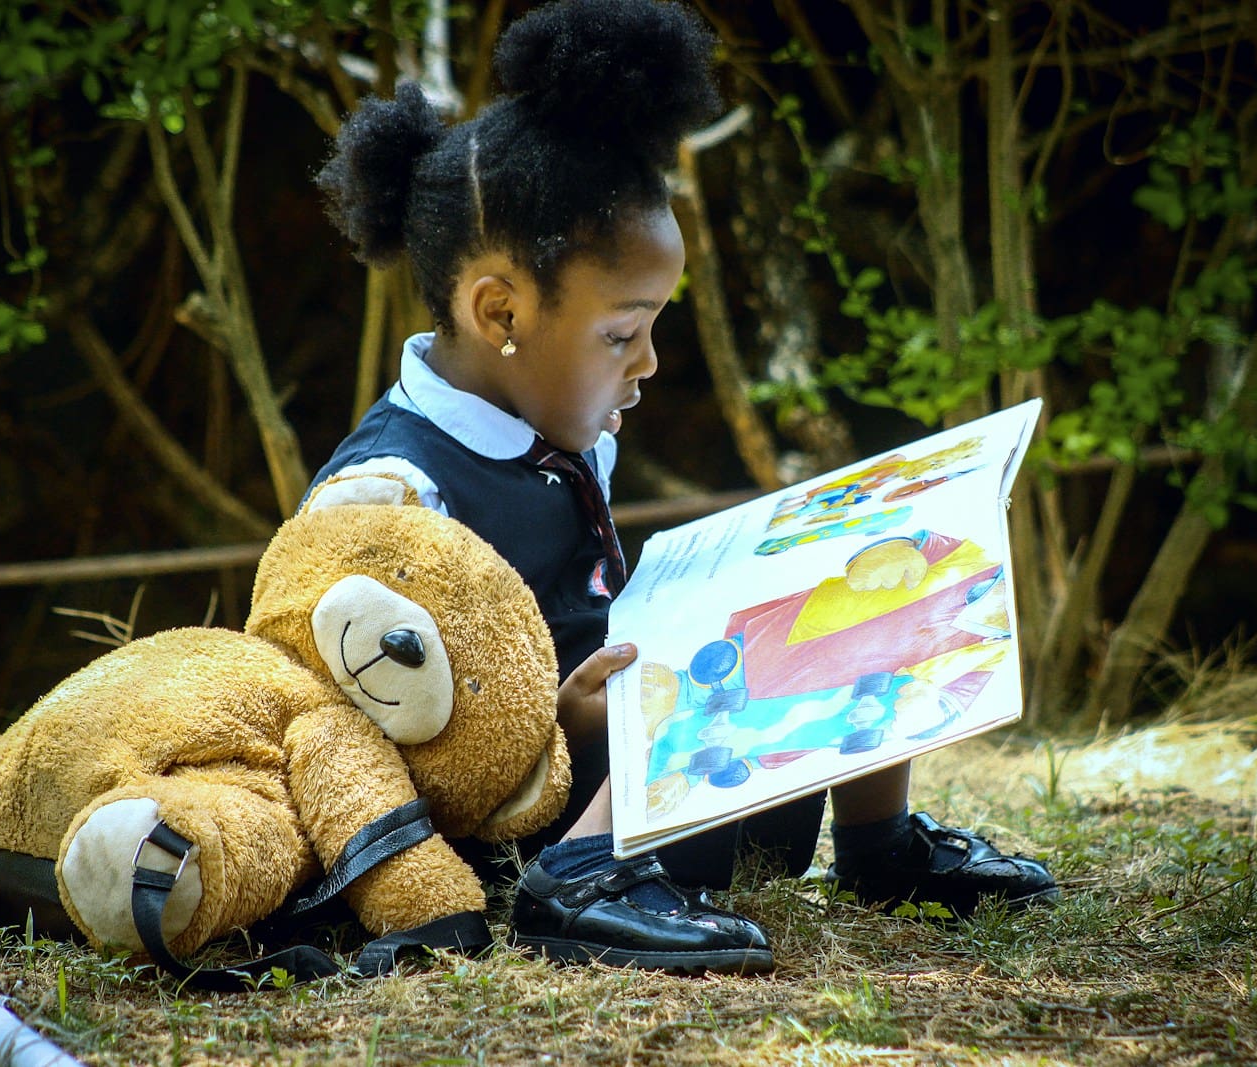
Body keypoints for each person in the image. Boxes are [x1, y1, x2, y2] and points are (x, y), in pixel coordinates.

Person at [310, 0, 1056, 974]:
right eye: (621, 333)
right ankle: (580, 890)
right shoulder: (385, 496)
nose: (649, 362)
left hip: (671, 789)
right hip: (538, 831)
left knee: (866, 558)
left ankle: (882, 844)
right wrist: (562, 727)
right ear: (499, 308)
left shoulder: (565, 430)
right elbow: (358, 743)